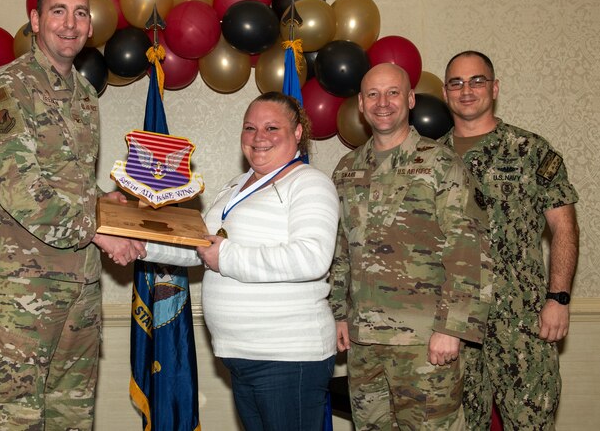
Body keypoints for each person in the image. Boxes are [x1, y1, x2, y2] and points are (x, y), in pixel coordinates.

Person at [0, 0, 144, 430]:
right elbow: (20, 188)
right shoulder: (6, 87)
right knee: (16, 418)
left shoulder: (84, 94)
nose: (70, 23)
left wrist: (114, 210)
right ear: (35, 21)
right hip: (19, 289)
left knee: (72, 414)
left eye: (80, 13)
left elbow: (70, 182)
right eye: (58, 11)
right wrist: (100, 229)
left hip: (78, 284)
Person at [143, 91, 340, 431]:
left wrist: (226, 256)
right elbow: (201, 247)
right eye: (250, 128)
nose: (258, 137)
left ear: (297, 133)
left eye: (271, 128)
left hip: (287, 358)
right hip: (242, 356)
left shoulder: (309, 183)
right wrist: (141, 246)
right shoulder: (235, 186)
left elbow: (312, 257)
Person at [329, 62, 492, 430]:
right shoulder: (347, 168)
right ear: (360, 103)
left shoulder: (441, 163)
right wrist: (338, 313)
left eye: (392, 92)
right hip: (364, 342)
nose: (382, 102)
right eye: (372, 93)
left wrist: (452, 328)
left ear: (411, 99)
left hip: (425, 343)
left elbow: (469, 249)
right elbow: (340, 248)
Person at [440, 51, 579, 430]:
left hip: (523, 322)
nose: (466, 90)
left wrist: (559, 299)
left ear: (495, 88)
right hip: (454, 325)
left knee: (530, 424)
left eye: (477, 81)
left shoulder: (530, 150)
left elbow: (564, 228)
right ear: (446, 92)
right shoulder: (431, 157)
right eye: (457, 82)